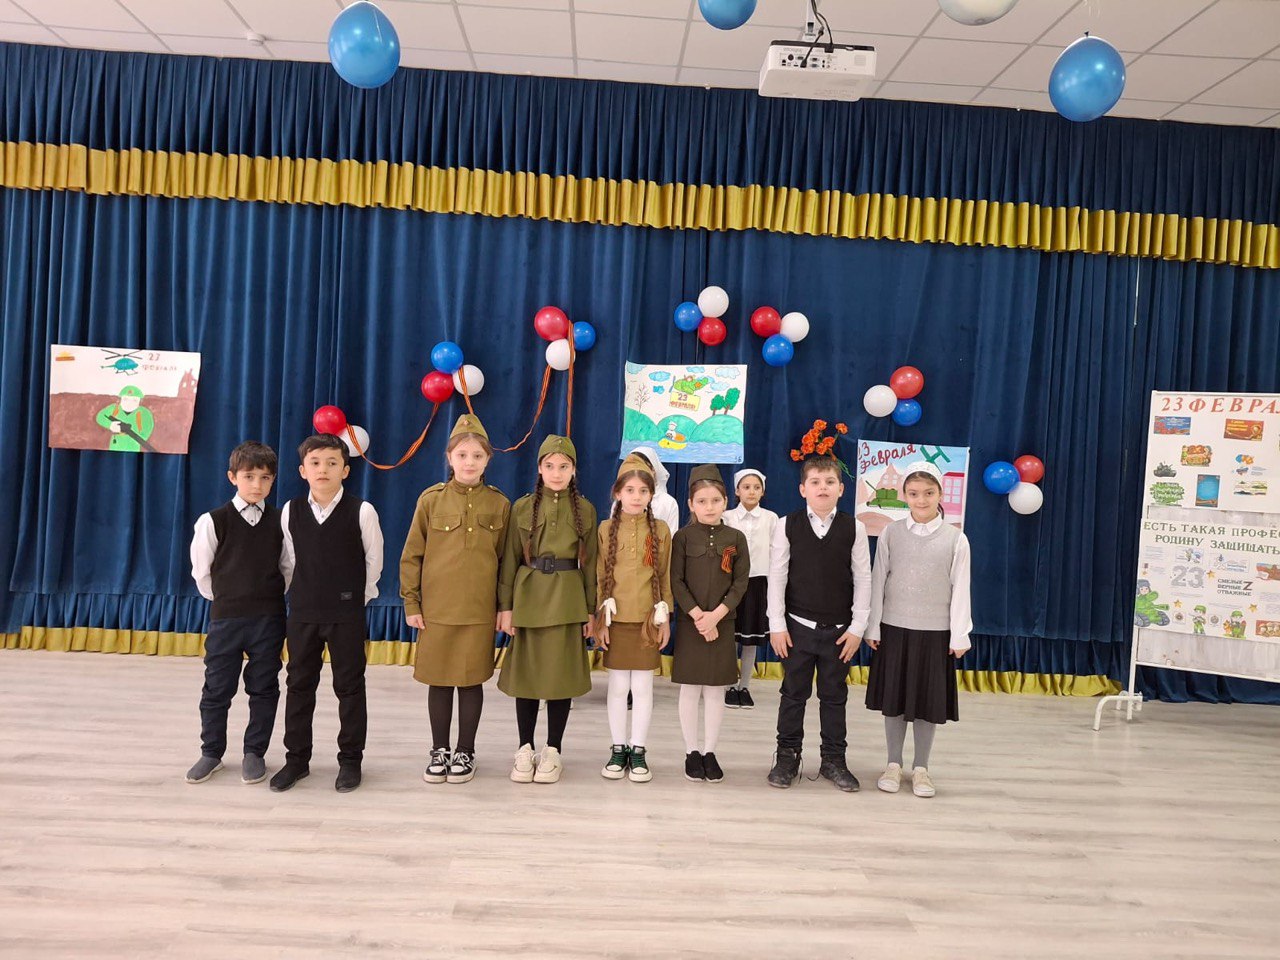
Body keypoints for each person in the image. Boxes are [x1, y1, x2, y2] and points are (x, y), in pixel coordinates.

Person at [270, 434, 384, 794]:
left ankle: (350, 760)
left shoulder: (362, 511)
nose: (324, 469)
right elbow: (288, 561)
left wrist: (357, 600)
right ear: (303, 470)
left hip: (346, 613)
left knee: (349, 687)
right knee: (298, 685)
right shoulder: (290, 511)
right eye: (315, 463)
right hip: (303, 612)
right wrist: (299, 596)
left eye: (332, 463)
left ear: (345, 470)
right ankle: (296, 760)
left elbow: (374, 563)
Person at [400, 414, 510, 785]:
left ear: (488, 460)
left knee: (471, 681)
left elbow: (506, 562)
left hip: (479, 611)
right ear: (449, 458)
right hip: (437, 610)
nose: (469, 462)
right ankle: (439, 749)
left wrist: (504, 607)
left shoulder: (499, 504)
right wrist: (412, 603)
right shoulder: (431, 500)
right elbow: (412, 555)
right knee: (440, 680)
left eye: (477, 456)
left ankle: (465, 750)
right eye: (462, 455)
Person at [865, 462, 971, 799]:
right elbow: (878, 579)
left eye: (928, 493)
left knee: (928, 701)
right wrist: (873, 625)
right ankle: (893, 763)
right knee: (894, 700)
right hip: (894, 628)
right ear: (904, 495)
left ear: (940, 495)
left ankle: (921, 767)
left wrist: (959, 633)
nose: (921, 500)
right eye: (913, 493)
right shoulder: (891, 533)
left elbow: (961, 587)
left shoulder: (955, 538)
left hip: (935, 632)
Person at [185, 441, 289, 785]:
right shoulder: (213, 521)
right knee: (217, 687)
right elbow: (202, 572)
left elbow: (287, 568)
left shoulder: (281, 521)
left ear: (273, 480)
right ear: (233, 477)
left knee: (264, 687)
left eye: (265, 477)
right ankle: (211, 752)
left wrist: (264, 597)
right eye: (249, 476)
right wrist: (229, 598)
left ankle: (254, 752)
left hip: (268, 619)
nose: (257, 484)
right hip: (226, 617)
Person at [766, 454, 870, 793]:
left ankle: (833, 760)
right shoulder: (787, 524)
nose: (822, 488)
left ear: (841, 488)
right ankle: (787, 756)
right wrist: (777, 624)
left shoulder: (854, 528)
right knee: (793, 694)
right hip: (797, 628)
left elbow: (863, 579)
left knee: (834, 696)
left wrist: (857, 628)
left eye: (829, 482)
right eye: (815, 482)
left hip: (840, 632)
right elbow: (777, 576)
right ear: (803, 489)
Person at [497, 435, 597, 784]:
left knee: (560, 677)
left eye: (564, 466)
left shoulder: (586, 510)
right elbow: (509, 560)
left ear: (574, 470)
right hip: (529, 597)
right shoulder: (522, 507)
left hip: (568, 600)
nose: (557, 473)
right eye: (550, 466)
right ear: (539, 468)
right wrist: (506, 607)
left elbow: (591, 565)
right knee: (527, 677)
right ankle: (524, 747)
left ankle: (553, 749)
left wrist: (591, 611)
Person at [595, 454, 673, 782]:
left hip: (646, 620)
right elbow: (600, 575)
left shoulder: (661, 529)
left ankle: (638, 749)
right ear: (617, 493)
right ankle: (618, 748)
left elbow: (665, 574)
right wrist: (600, 618)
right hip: (615, 620)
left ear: (651, 494)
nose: (636, 497)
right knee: (617, 687)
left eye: (643, 491)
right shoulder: (605, 529)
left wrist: (664, 616)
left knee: (642, 688)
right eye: (629, 490)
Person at [670, 464, 750, 783]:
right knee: (690, 689)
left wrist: (716, 616)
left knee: (716, 690)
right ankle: (691, 751)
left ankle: (710, 751)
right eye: (701, 501)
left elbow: (740, 583)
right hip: (691, 624)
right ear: (691, 504)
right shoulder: (682, 537)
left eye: (716, 500)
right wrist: (698, 616)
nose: (709, 507)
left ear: (726, 501)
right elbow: (676, 581)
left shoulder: (737, 538)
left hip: (722, 623)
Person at [722, 468, 777, 709]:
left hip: (757, 582)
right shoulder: (727, 517)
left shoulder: (771, 518)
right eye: (746, 487)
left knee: (750, 638)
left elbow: (776, 552)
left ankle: (744, 686)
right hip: (731, 583)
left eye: (756, 487)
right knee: (731, 637)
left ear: (763, 491)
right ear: (737, 491)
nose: (751, 491)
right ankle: (728, 686)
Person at [628, 445, 680, 534]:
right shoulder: (622, 500)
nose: (640, 475)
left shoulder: (668, 503)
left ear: (653, 471)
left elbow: (671, 538)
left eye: (645, 469)